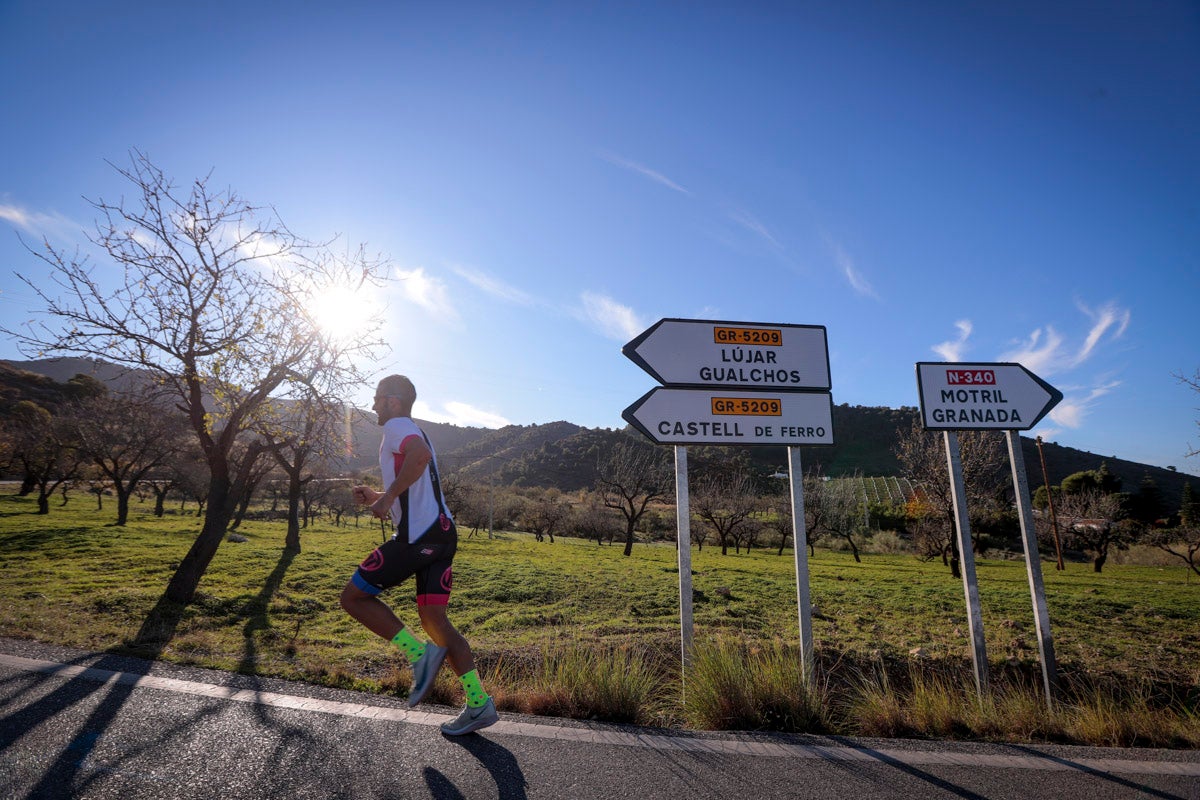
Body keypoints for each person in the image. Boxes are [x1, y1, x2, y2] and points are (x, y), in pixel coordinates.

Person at [339, 374, 498, 736]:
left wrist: (387, 497)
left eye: (378, 398)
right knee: (435, 623)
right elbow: (419, 480)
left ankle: (419, 656)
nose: (374, 404)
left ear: (393, 401)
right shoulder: (410, 429)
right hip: (442, 533)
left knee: (353, 597)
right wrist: (381, 494)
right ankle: (478, 703)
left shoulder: (396, 427)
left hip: (418, 538)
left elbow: (420, 457)